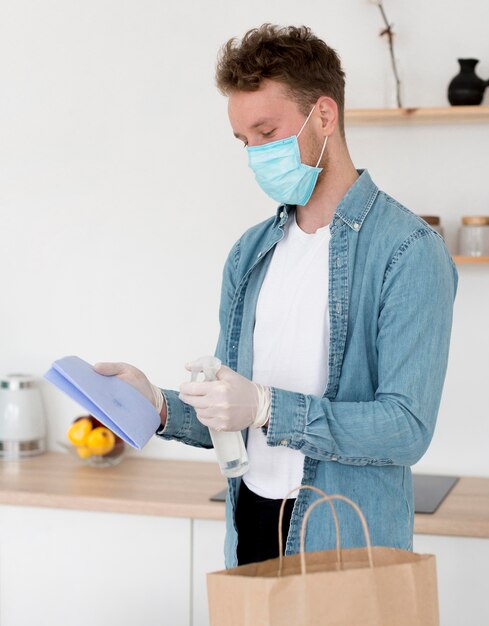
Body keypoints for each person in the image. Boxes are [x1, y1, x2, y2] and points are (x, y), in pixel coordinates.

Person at [95, 24, 458, 569]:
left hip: (342, 538)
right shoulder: (250, 253)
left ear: (325, 116)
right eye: (245, 141)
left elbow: (406, 430)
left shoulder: (408, 250)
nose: (255, 155)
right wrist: (158, 403)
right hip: (251, 527)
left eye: (267, 133)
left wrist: (269, 408)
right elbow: (232, 412)